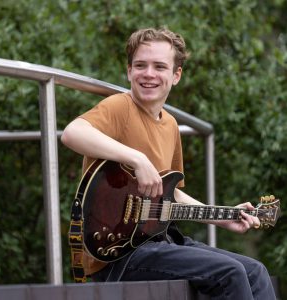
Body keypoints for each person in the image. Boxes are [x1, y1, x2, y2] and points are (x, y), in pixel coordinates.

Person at [61, 28, 276, 299]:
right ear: (129, 71)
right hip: (117, 254)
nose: (149, 73)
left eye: (159, 66)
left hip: (159, 242)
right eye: (140, 65)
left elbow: (171, 193)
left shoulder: (171, 125)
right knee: (229, 273)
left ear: (176, 75)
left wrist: (221, 218)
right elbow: (72, 133)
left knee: (256, 271)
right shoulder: (120, 107)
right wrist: (136, 158)